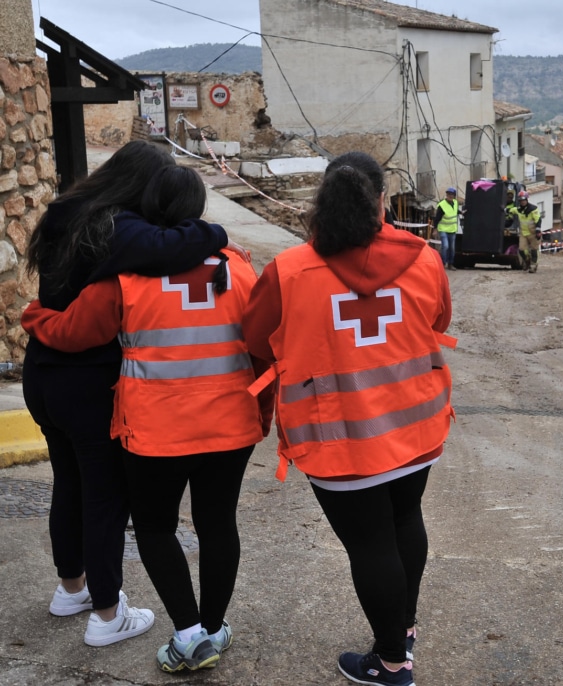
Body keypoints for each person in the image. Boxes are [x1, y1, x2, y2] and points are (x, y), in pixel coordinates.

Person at [22, 165, 274, 672]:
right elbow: (266, 350)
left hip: (155, 430)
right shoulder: (241, 268)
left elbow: (74, 333)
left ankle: (185, 633)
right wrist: (260, 416)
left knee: (156, 529)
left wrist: (36, 316)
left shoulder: (126, 276)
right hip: (229, 425)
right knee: (218, 523)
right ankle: (214, 624)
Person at [243, 151, 454, 686]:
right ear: (382, 201)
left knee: (370, 544)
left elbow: (255, 339)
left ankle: (390, 663)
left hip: (338, 442)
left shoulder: (290, 272)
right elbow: (438, 318)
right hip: (415, 429)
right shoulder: (424, 257)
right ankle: (401, 629)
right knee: (406, 522)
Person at [506, 190, 542, 273]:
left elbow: (538, 219)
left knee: (534, 250)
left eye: (524, 200)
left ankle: (533, 266)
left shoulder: (533, 209)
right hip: (523, 233)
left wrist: (538, 230)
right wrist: (503, 209)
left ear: (527, 200)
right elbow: (510, 210)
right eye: (521, 200)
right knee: (522, 250)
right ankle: (527, 261)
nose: (522, 202)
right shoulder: (518, 210)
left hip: (533, 233)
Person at [433, 186, 460, 270]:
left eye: (452, 194)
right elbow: (437, 218)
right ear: (446, 195)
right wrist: (435, 229)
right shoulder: (442, 205)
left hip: (452, 229)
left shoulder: (455, 203)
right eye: (448, 194)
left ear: (454, 195)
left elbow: (455, 211)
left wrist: (462, 212)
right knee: (445, 246)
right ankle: (443, 263)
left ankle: (450, 264)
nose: (450, 196)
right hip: (443, 229)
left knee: (452, 248)